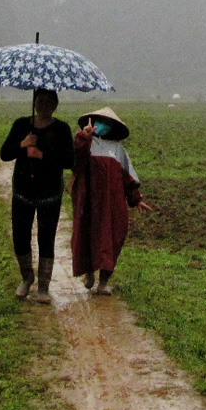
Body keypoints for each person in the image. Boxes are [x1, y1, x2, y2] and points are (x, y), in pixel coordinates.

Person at [0, 88, 74, 303]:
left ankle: (43, 287)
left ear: (55, 105)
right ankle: (26, 278)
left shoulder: (62, 129)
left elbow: (69, 161)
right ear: (34, 102)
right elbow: (5, 154)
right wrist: (22, 145)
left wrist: (43, 155)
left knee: (46, 237)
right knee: (20, 236)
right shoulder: (21, 125)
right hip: (23, 191)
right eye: (40, 101)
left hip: (49, 192)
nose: (43, 105)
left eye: (49, 102)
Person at [71, 108, 153, 296]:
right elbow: (75, 164)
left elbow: (128, 177)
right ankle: (89, 272)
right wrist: (85, 137)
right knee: (86, 235)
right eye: (99, 121)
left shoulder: (117, 149)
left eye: (107, 123)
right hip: (89, 202)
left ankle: (104, 282)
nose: (103, 126)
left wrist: (136, 199)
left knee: (112, 237)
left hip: (112, 204)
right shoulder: (84, 142)